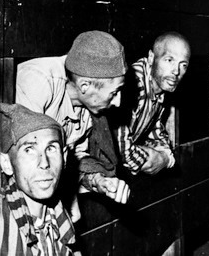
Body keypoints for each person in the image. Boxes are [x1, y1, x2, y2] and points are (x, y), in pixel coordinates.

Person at [16, 31, 130, 206]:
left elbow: (76, 160)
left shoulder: (87, 110)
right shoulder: (40, 82)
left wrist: (98, 181)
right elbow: (27, 159)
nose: (118, 102)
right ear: (84, 85)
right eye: (114, 93)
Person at [0, 103, 80, 254]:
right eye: (29, 150)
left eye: (51, 149)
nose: (44, 163)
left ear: (64, 157)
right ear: (6, 164)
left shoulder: (60, 218)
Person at [116, 32, 190, 175]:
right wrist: (163, 159)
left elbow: (155, 130)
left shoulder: (159, 88)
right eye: (169, 60)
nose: (176, 71)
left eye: (183, 65)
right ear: (151, 57)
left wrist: (166, 157)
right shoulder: (132, 86)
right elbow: (124, 154)